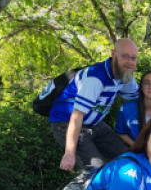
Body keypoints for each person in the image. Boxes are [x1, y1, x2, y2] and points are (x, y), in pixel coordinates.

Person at [50, 38, 139, 172]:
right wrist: (69, 153)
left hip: (95, 124)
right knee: (97, 171)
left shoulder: (124, 76)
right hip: (67, 124)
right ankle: (81, 189)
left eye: (133, 58)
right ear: (113, 54)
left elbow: (142, 97)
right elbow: (76, 116)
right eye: (125, 56)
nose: (130, 62)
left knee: (129, 157)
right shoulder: (95, 78)